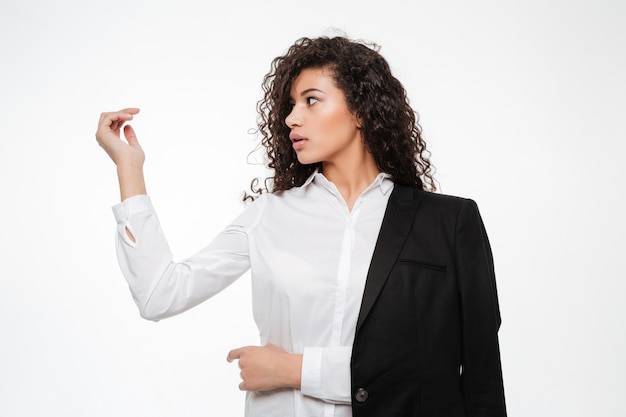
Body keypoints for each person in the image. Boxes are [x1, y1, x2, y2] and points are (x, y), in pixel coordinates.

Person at [96, 36, 507, 417]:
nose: (292, 118)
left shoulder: (447, 223)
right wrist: (129, 170)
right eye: (291, 105)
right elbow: (158, 295)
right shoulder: (270, 216)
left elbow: (451, 369)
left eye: (311, 101)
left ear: (361, 109)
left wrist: (294, 370)